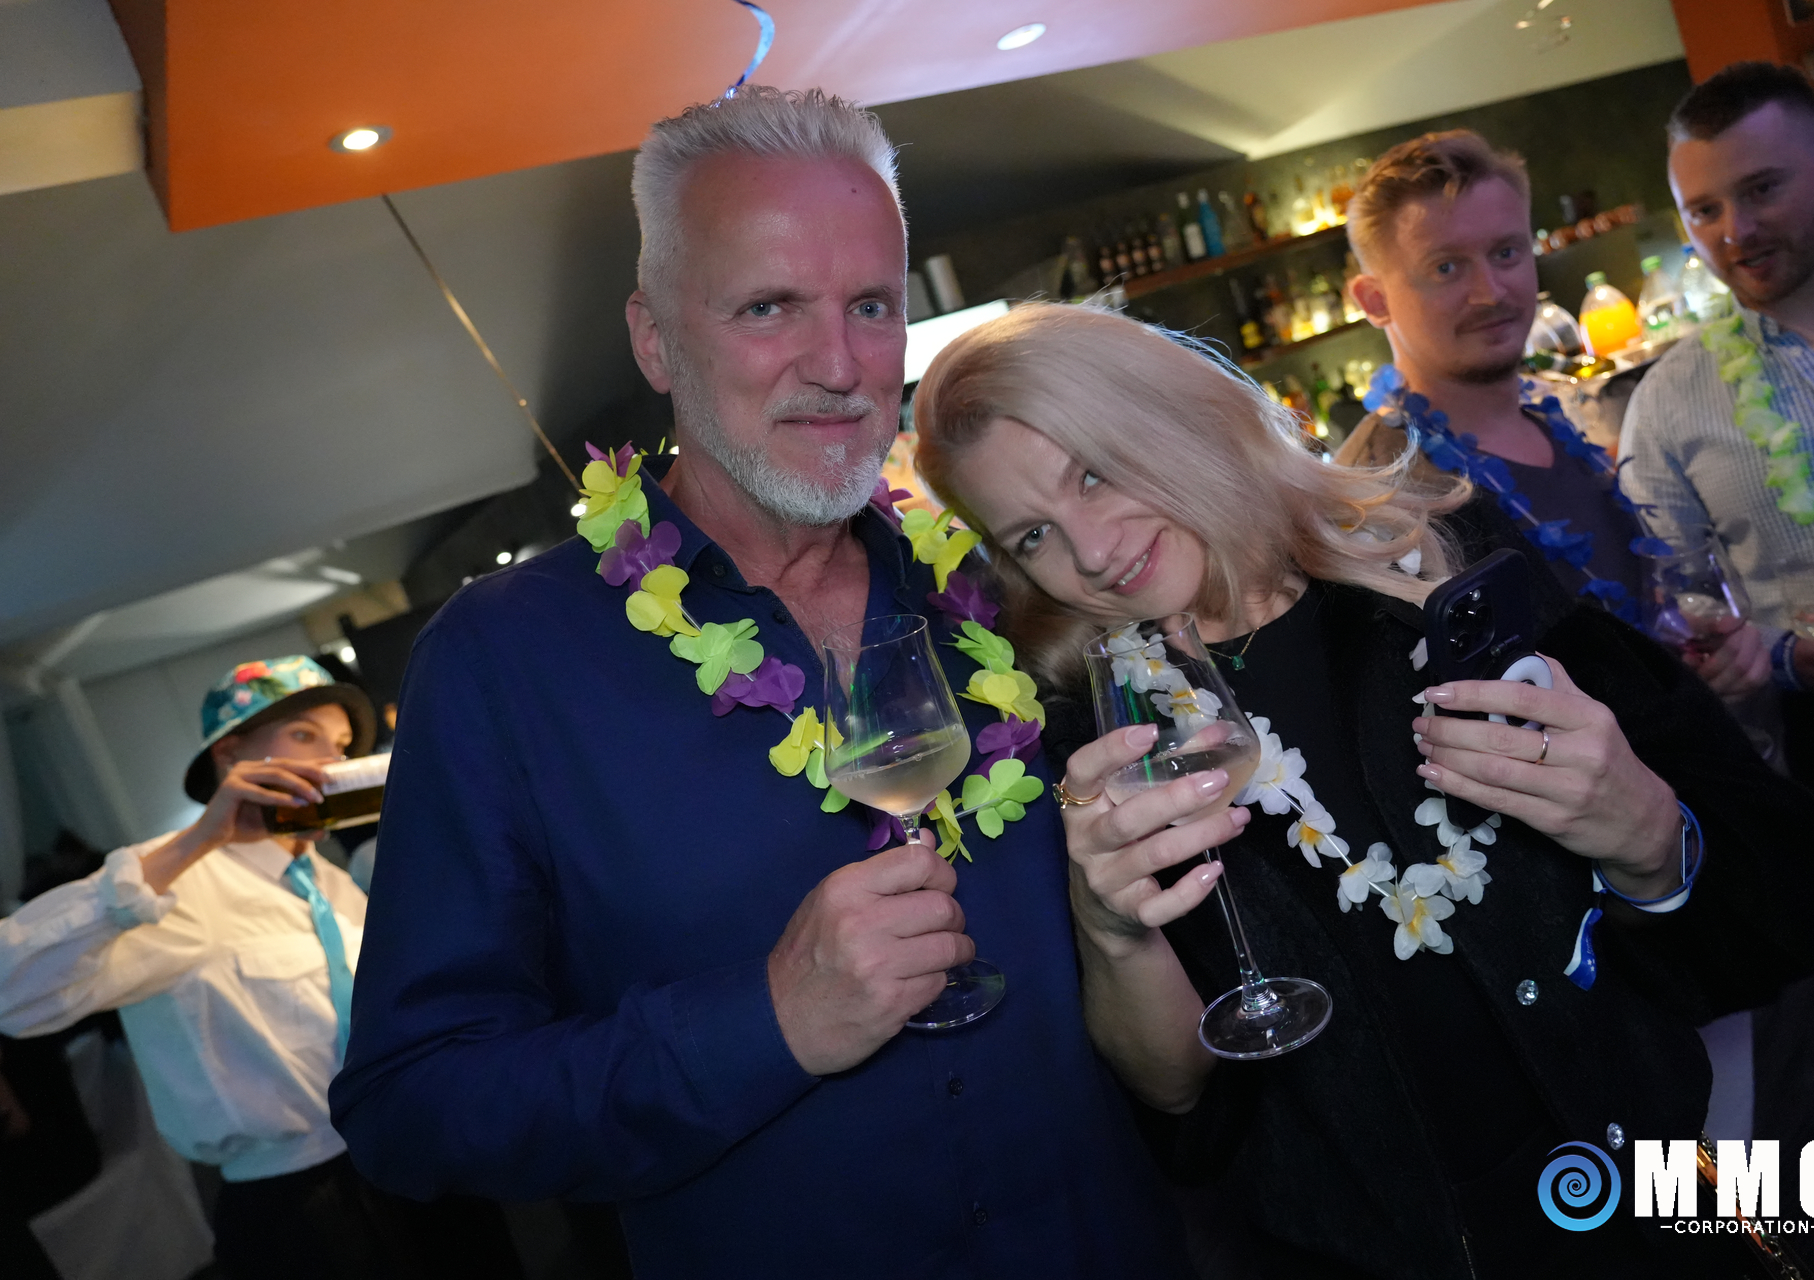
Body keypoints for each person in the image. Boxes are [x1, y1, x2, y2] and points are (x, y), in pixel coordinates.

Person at [328, 87, 1187, 1278]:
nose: (837, 366)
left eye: (871, 305)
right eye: (768, 306)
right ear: (654, 339)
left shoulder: (1001, 578)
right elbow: (411, 1103)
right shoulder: (505, 663)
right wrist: (766, 1021)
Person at [911, 302, 1814, 1277]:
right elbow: (1181, 1110)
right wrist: (1114, 932)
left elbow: (1782, 897)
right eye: (1034, 535)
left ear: (1169, 413)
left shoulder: (1436, 562)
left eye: (1092, 474)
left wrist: (1646, 831)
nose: (1092, 552)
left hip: (1652, 1210)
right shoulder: (1100, 738)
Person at [0, 657, 478, 1279]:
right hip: (302, 1204)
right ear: (231, 757)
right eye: (305, 735)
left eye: (340, 746)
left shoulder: (331, 884)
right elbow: (11, 991)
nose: (331, 761)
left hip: (417, 1161)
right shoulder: (166, 882)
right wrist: (197, 840)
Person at [1619, 61, 1814, 1013]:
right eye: (1703, 210)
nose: (1734, 232)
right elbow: (1675, 608)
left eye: (1760, 190)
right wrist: (1781, 658)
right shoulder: (1670, 401)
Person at [1331, 130, 1773, 698]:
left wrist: (1716, 655)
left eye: (1506, 253)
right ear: (1374, 300)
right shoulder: (1378, 498)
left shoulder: (1561, 414)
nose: (1491, 291)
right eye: (1446, 268)